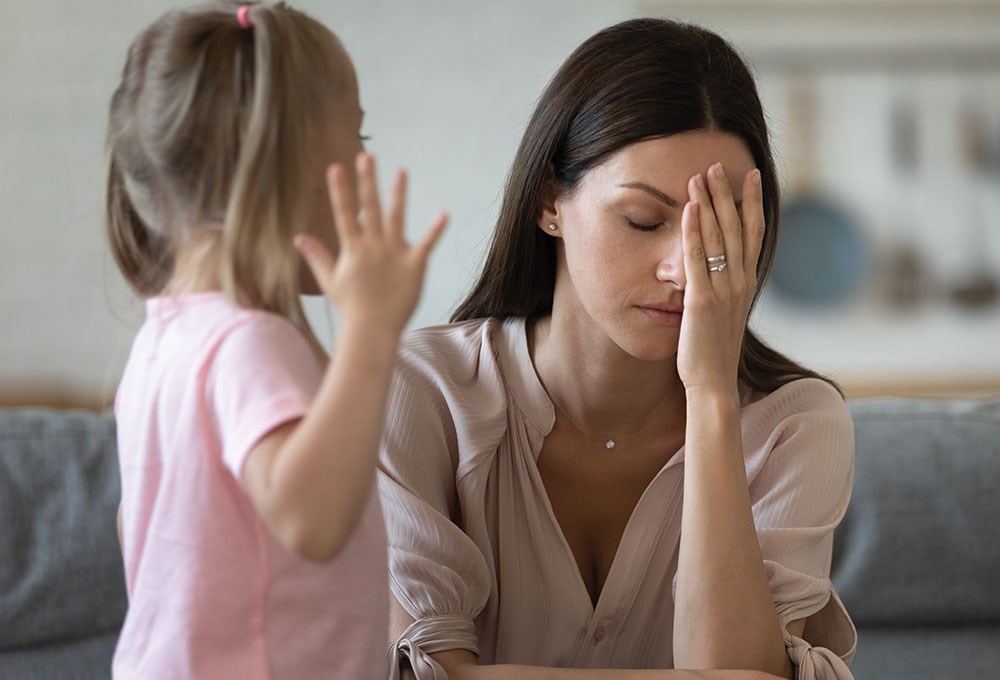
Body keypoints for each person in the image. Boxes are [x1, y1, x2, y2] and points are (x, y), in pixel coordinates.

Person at [380, 17, 856, 680]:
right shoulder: (419, 392)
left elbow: (735, 667)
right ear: (550, 201)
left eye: (718, 229)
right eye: (643, 220)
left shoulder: (798, 423)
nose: (684, 269)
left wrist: (712, 396)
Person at [105, 2, 446, 678]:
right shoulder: (249, 343)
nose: (364, 162)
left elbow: (134, 527)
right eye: (358, 138)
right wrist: (371, 332)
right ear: (287, 161)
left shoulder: (164, 340)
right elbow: (313, 520)